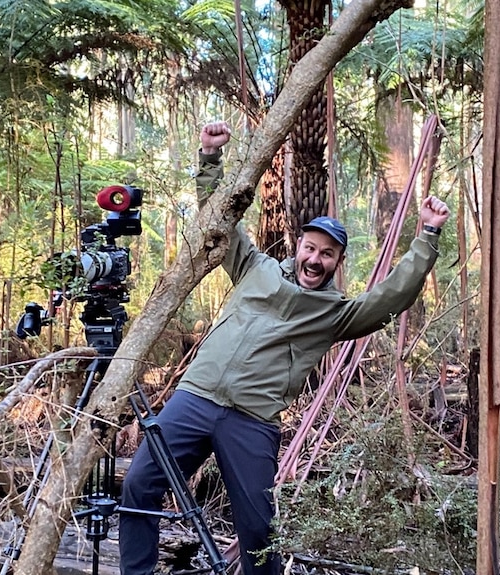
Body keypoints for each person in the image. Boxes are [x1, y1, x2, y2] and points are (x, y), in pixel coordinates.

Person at [119, 121, 450, 575]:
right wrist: (210, 158)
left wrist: (427, 235)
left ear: (337, 262)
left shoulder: (335, 313)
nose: (315, 259)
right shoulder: (254, 266)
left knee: (258, 531)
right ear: (298, 245)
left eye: (327, 254)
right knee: (139, 484)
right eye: (310, 248)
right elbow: (219, 218)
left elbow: (392, 295)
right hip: (194, 398)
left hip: (252, 420)